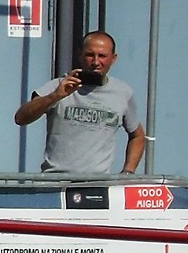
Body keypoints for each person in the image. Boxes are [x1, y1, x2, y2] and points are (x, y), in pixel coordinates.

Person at [13, 30, 146, 175]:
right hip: (56, 182)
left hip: (96, 185)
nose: (95, 62)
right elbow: (21, 118)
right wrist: (55, 96)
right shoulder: (59, 85)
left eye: (102, 56)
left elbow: (137, 136)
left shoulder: (123, 93)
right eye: (90, 55)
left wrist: (128, 172)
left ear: (113, 58)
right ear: (80, 55)